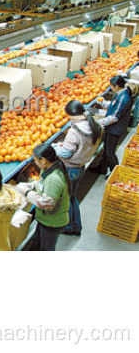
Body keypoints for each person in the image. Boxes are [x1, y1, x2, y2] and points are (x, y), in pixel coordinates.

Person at [53, 100, 103, 236]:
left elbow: (66, 153)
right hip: (80, 167)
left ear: (72, 115)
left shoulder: (75, 131)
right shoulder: (94, 125)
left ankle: (69, 227)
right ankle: (77, 226)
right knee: (72, 197)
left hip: (69, 168)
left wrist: (55, 148)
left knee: (65, 199)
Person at [17, 144, 71, 251]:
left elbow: (47, 205)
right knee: (37, 241)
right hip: (44, 219)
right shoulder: (49, 168)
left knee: (46, 248)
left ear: (43, 161)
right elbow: (42, 183)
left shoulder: (53, 179)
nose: (35, 162)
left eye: (36, 160)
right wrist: (33, 185)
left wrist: (27, 192)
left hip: (52, 222)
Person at [90, 76, 132, 176]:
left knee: (110, 153)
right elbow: (113, 105)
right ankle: (102, 168)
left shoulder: (124, 99)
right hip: (112, 127)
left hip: (115, 129)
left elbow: (114, 117)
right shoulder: (120, 94)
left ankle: (115, 174)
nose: (111, 88)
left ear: (117, 86)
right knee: (106, 150)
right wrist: (102, 102)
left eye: (112, 87)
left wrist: (98, 123)